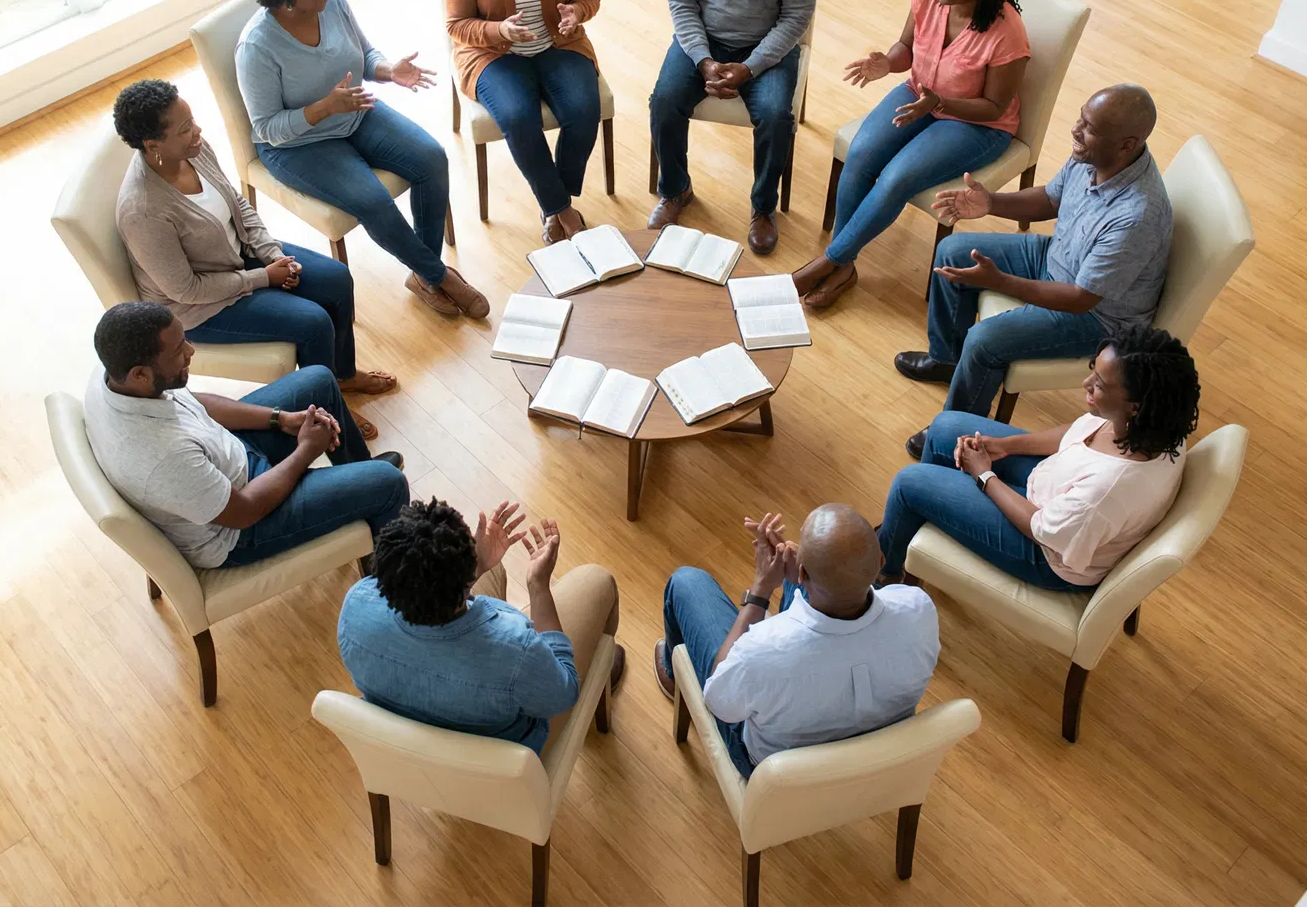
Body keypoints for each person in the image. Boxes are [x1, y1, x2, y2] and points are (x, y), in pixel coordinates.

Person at [110, 79, 396, 442]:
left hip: (239, 256)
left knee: (337, 279)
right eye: (185, 129)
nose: (197, 131)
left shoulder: (192, 149)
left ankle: (342, 374)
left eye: (192, 121)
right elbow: (185, 289)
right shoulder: (144, 211)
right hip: (199, 304)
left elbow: (238, 206)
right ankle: (327, 403)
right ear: (153, 146)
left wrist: (272, 255)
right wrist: (264, 277)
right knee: (313, 323)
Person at [236, 0, 489, 320]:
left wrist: (390, 71)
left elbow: (365, 55)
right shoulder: (256, 48)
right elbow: (268, 128)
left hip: (354, 111)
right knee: (374, 202)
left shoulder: (332, 2)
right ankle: (442, 277)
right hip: (298, 145)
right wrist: (324, 107)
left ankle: (424, 276)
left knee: (432, 158)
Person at [895, 84, 1172, 418]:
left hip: (1096, 317)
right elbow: (1051, 199)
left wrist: (1000, 281)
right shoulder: (1097, 153)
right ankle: (946, 361)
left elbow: (1079, 298)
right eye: (1081, 119)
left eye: (1089, 129)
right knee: (953, 250)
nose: (1075, 131)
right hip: (1058, 258)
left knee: (985, 340)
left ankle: (956, 429)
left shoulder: (1136, 216)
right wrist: (991, 202)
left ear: (1127, 145)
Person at [793, 0, 1030, 311]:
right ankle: (844, 265)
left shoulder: (1007, 33)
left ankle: (829, 262)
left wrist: (941, 104)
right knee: (862, 152)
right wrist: (887, 62)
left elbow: (994, 107)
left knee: (897, 177)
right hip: (920, 93)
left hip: (977, 124)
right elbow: (906, 47)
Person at [81, 302, 408, 570]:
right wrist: (306, 450)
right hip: (239, 529)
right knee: (388, 483)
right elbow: (244, 511)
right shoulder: (161, 457)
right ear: (139, 374)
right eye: (179, 351)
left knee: (320, 381)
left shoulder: (114, 375)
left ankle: (358, 486)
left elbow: (194, 404)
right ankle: (396, 581)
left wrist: (280, 419)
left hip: (227, 456)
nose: (191, 351)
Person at [877, 328, 1201, 590]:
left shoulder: (1108, 490)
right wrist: (1007, 445)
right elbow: (1077, 432)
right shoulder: (1155, 425)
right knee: (946, 426)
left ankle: (883, 574)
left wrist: (985, 477)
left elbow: (1040, 527)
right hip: (1056, 495)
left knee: (909, 484)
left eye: (1099, 384)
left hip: (1046, 552)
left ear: (1135, 406)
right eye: (1093, 371)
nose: (1086, 384)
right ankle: (907, 530)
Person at [654, 505, 941, 777]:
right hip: (883, 745)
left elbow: (719, 701)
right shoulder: (919, 608)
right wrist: (803, 573)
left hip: (779, 772)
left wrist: (760, 590)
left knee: (686, 581)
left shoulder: (761, 652)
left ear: (803, 573)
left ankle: (673, 673)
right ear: (881, 559)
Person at [337, 499, 624, 753]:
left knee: (495, 569)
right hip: (503, 755)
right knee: (598, 580)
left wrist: (478, 566)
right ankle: (599, 679)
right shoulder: (516, 651)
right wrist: (538, 586)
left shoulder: (357, 606)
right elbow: (563, 692)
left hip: (412, 742)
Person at [647, 0, 819, 256]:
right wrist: (703, 59)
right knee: (664, 102)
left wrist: (750, 66)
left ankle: (763, 208)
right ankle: (675, 190)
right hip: (703, 40)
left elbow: (796, 18)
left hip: (766, 48)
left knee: (777, 117)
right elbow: (681, 2)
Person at [444, 0, 605, 244]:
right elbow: (455, 25)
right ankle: (562, 210)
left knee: (584, 111)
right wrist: (500, 29)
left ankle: (554, 203)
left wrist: (575, 12)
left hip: (558, 45)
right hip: (493, 56)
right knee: (518, 118)